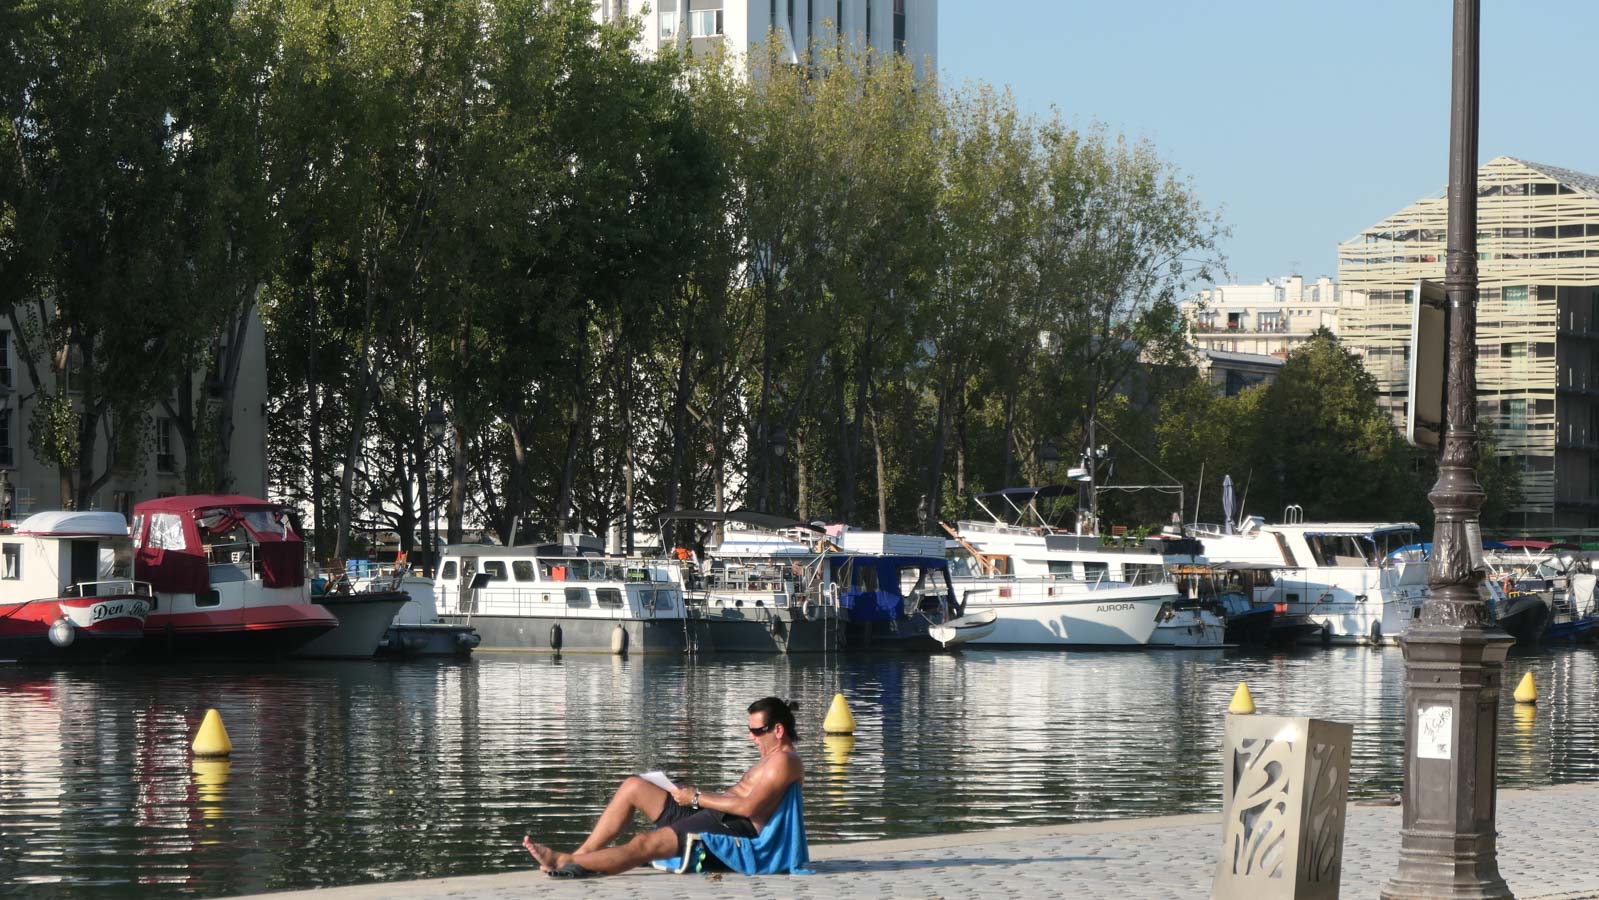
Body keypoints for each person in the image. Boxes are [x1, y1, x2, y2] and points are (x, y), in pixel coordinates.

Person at [523, 697, 805, 879]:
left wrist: (695, 797)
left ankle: (566, 861)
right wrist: (690, 796)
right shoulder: (772, 759)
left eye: (756, 731)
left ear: (778, 730)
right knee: (634, 786)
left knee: (644, 843)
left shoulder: (784, 761)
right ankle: (582, 854)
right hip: (716, 813)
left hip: (734, 826)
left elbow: (749, 807)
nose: (751, 737)